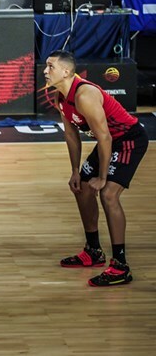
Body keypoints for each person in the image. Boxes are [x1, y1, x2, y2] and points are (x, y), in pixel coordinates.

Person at [44, 51, 148, 287]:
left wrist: (103, 177)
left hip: (127, 139)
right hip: (110, 141)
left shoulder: (85, 95)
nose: (45, 71)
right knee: (81, 186)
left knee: (108, 194)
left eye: (50, 67)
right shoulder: (62, 97)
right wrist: (74, 171)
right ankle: (93, 251)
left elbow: (105, 138)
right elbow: (71, 135)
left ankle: (121, 266)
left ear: (67, 71)